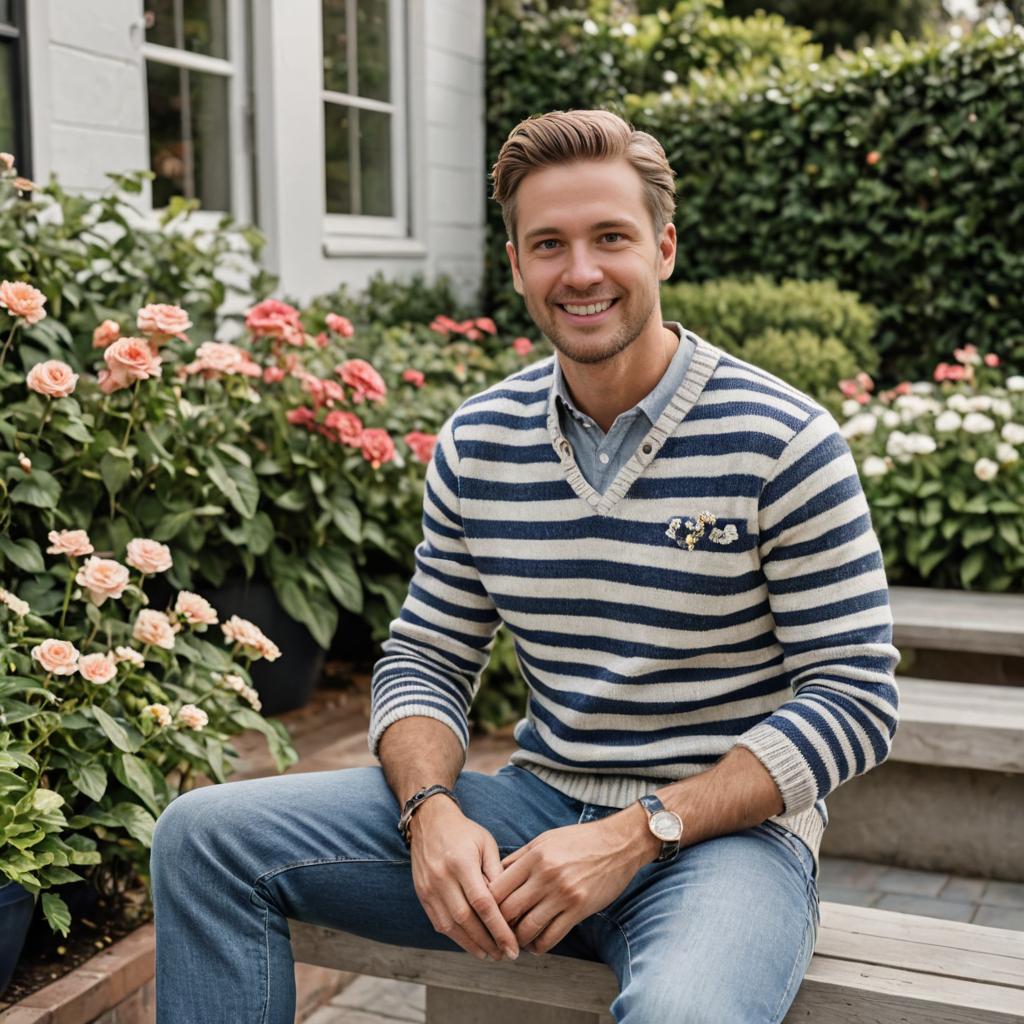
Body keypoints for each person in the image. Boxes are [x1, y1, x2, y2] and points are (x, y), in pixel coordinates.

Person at [150, 109, 900, 1023]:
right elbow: (427, 658)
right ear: (516, 266)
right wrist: (429, 808)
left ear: (663, 247)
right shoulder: (480, 439)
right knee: (203, 838)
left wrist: (642, 831)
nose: (580, 271)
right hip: (535, 813)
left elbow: (855, 697)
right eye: (549, 243)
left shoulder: (782, 439)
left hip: (725, 844)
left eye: (610, 237)